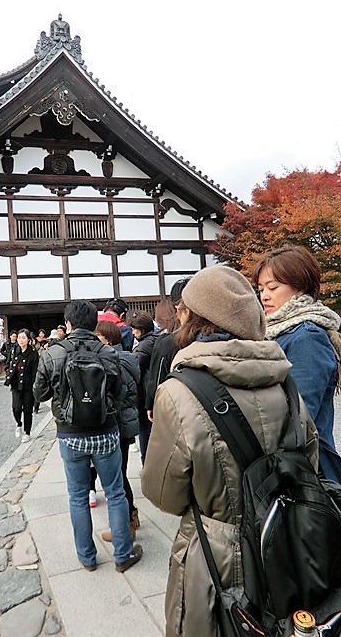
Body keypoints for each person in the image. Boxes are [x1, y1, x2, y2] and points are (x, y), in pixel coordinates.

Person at [141, 265, 318, 637]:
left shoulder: (179, 391)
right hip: (287, 542)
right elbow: (309, 461)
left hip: (217, 553)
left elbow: (163, 493)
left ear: (194, 317)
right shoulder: (285, 380)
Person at [33, 299, 143, 572]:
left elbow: (40, 393)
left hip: (70, 435)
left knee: (78, 496)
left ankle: (87, 557)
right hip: (105, 431)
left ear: (67, 324)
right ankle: (122, 555)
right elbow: (119, 393)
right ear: (95, 323)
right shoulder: (107, 353)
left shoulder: (52, 353)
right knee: (116, 493)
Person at [252, 244, 341, 482]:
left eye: (273, 287)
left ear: (300, 287)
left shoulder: (307, 337)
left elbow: (300, 416)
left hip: (308, 468)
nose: (265, 296)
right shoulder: (275, 331)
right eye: (260, 288)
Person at [95, 319, 141, 539]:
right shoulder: (126, 358)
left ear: (108, 339)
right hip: (124, 423)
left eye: (98, 337)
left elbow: (120, 395)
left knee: (117, 477)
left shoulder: (114, 361)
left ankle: (125, 527)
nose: (95, 340)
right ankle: (132, 517)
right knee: (120, 474)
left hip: (118, 424)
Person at [145, 278, 191, 421]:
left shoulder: (168, 342)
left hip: (177, 409)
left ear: (177, 308)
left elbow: (157, 378)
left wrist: (151, 404)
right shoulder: (221, 336)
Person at [129, 310, 157, 465]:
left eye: (134, 329)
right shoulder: (154, 340)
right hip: (151, 392)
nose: (132, 332)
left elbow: (135, 368)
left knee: (144, 429)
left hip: (144, 394)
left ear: (142, 329)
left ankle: (146, 462)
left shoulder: (144, 345)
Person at [4, 328, 39, 442]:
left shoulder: (33, 354)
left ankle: (27, 432)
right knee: (16, 408)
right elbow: (8, 364)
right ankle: (18, 423)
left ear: (28, 339)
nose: (21, 340)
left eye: (23, 338)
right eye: (19, 338)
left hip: (28, 386)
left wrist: (35, 387)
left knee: (28, 410)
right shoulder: (14, 351)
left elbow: (35, 372)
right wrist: (8, 373)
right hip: (15, 385)